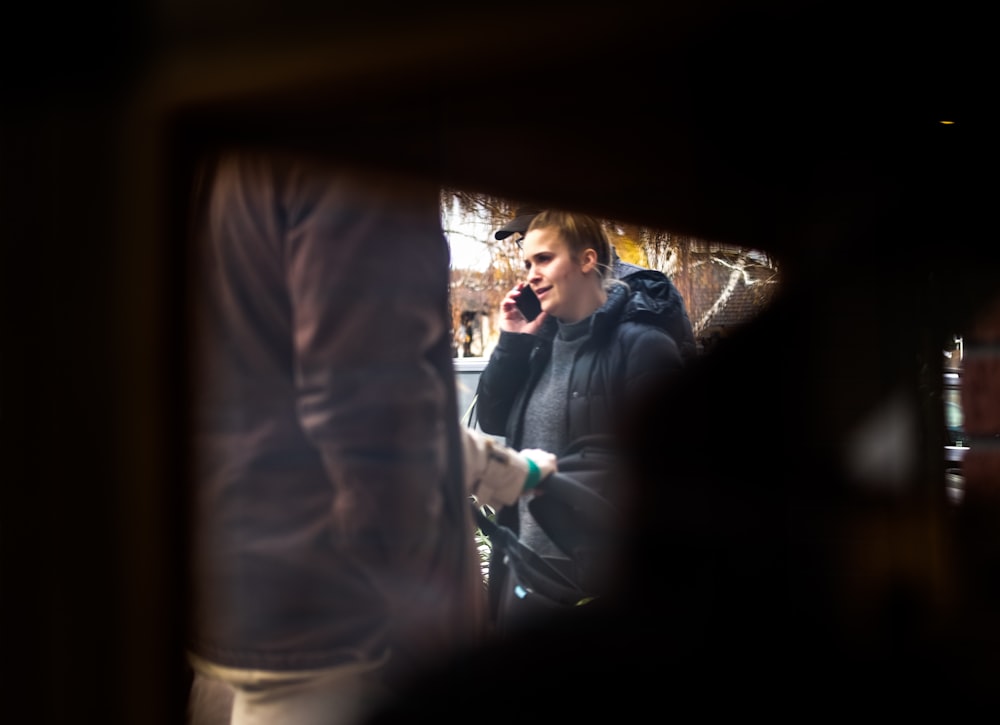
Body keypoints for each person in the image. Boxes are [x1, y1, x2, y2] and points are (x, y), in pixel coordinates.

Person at [185, 148, 557, 725]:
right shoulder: (361, 157)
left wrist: (501, 470)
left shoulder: (226, 170)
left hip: (243, 595)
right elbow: (378, 413)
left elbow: (354, 404)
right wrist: (425, 616)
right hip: (331, 626)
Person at [474, 209, 686, 634]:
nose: (531, 274)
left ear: (588, 260)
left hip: (596, 586)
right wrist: (512, 342)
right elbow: (493, 417)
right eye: (527, 262)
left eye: (544, 259)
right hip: (526, 571)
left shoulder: (643, 347)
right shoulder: (538, 346)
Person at [494, 206, 698, 361]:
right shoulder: (537, 304)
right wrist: (511, 344)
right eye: (524, 239)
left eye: (538, 234)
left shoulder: (646, 287)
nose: (530, 245)